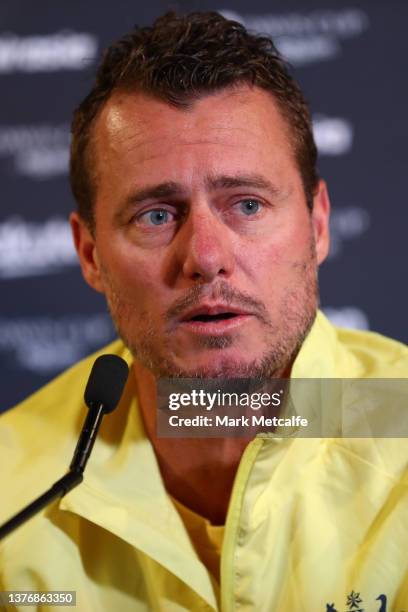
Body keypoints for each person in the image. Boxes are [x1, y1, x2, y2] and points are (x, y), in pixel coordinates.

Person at [1, 11, 407, 612]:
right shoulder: (11, 490)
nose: (206, 258)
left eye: (246, 203)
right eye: (156, 215)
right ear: (89, 253)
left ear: (318, 224)